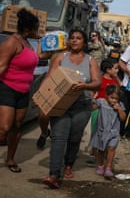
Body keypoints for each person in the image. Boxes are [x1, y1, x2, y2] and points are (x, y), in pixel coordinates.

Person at [0, 8, 50, 179]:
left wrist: (49, 44)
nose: (38, 31)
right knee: (3, 128)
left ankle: (10, 159)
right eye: (36, 29)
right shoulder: (11, 43)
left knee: (17, 127)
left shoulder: (28, 43)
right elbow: (1, 66)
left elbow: (39, 57)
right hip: (6, 89)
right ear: (28, 29)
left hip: (23, 91)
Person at [42, 29, 101, 189]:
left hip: (82, 106)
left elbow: (97, 82)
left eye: (79, 38)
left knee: (74, 137)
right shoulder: (60, 57)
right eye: (72, 38)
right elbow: (50, 77)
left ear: (84, 42)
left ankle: (69, 164)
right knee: (58, 137)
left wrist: (85, 86)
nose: (75, 41)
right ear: (68, 41)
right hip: (61, 104)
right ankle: (54, 174)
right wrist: (41, 95)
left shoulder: (91, 61)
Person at [87, 58, 122, 163]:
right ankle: (94, 153)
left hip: (111, 112)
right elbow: (93, 92)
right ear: (108, 69)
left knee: (108, 131)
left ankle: (106, 153)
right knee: (96, 131)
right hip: (98, 109)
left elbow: (120, 89)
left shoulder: (115, 81)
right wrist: (92, 100)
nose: (117, 71)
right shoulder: (100, 80)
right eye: (115, 68)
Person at [89, 85, 126, 179]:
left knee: (111, 149)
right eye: (112, 97)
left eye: (116, 99)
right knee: (101, 150)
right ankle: (101, 165)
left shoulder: (120, 105)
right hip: (102, 132)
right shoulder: (101, 102)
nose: (114, 100)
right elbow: (92, 108)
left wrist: (119, 110)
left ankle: (108, 167)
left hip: (114, 132)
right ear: (106, 95)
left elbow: (123, 118)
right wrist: (92, 99)